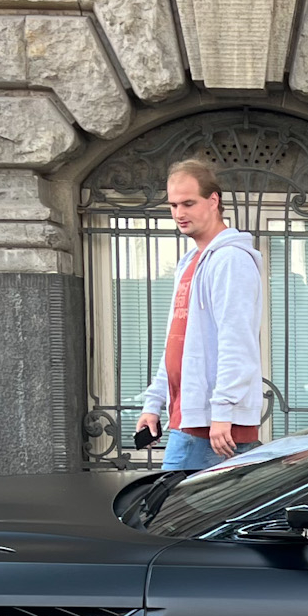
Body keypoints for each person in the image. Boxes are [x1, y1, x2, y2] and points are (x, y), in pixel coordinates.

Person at [133, 159, 265, 470]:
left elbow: (238, 342)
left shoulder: (231, 260)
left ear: (213, 201)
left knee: (166, 514)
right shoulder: (190, 262)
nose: (179, 213)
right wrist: (154, 403)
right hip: (191, 417)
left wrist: (223, 412)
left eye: (188, 203)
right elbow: (176, 344)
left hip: (213, 425)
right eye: (174, 205)